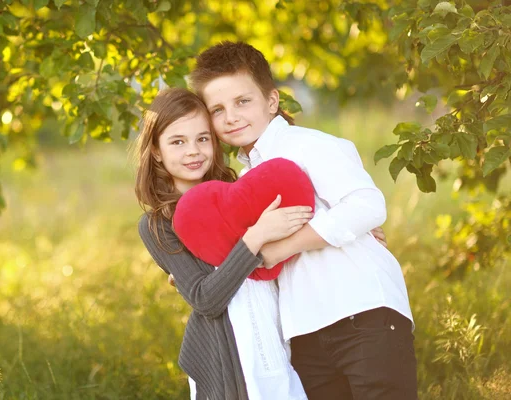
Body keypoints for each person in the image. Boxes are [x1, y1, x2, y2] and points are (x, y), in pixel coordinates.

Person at [189, 41, 418, 399]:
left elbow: (367, 204)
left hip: (362, 312)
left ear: (272, 101)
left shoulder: (307, 145)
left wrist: (283, 247)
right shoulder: (240, 181)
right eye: (217, 109)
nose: (231, 116)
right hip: (304, 334)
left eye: (243, 101)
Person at [134, 87, 311, 400]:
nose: (193, 151)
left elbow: (295, 231)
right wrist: (255, 236)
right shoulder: (159, 225)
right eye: (178, 142)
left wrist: (349, 233)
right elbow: (205, 299)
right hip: (228, 357)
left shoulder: (241, 190)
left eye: (202, 138)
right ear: (157, 150)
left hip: (280, 334)